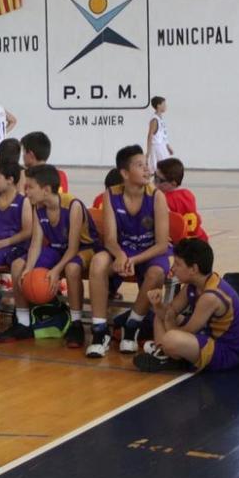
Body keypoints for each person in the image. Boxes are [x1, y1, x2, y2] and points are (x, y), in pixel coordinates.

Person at [87, 145, 171, 358]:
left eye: (147, 164)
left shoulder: (157, 197)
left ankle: (132, 325)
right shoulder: (111, 195)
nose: (147, 169)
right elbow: (110, 239)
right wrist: (121, 255)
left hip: (149, 251)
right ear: (124, 173)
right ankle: (99, 331)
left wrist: (132, 259)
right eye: (140, 165)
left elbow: (162, 244)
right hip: (123, 250)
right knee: (98, 262)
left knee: (156, 273)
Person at [3, 165, 100, 346]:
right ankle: (23, 322)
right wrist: (28, 269)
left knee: (71, 269)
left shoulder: (73, 205)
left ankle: (76, 323)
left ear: (46, 190)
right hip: (57, 249)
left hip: (84, 248)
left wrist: (55, 270)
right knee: (18, 266)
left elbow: (73, 248)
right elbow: (35, 243)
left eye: (30, 187)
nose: (26, 191)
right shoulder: (38, 206)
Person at [133, 239, 239, 372]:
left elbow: (187, 331)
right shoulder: (193, 285)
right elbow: (170, 311)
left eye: (177, 264)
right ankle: (165, 354)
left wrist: (169, 323)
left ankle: (167, 353)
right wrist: (157, 304)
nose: (173, 268)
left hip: (225, 351)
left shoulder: (210, 297)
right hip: (206, 335)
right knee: (159, 316)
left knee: (171, 338)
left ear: (193, 269)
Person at [154, 157, 208, 242]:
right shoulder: (188, 194)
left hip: (183, 244)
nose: (154, 182)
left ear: (173, 183)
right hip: (200, 238)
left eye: (159, 180)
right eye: (154, 176)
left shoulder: (162, 199)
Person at [145, 96, 173, 173]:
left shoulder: (160, 118)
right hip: (157, 147)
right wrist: (148, 151)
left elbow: (163, 134)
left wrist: (167, 146)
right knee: (157, 168)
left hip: (162, 146)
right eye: (164, 104)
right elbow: (150, 135)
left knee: (165, 168)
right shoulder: (154, 119)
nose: (165, 106)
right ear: (158, 105)